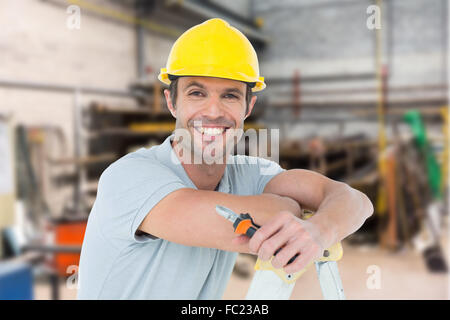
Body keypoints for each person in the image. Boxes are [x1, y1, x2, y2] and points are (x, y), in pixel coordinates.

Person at [77, 18, 373, 299]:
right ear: (171, 101)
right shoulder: (129, 177)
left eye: (230, 95)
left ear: (248, 106)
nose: (214, 111)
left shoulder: (249, 175)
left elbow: (356, 201)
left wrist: (320, 230)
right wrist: (287, 207)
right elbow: (227, 227)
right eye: (197, 92)